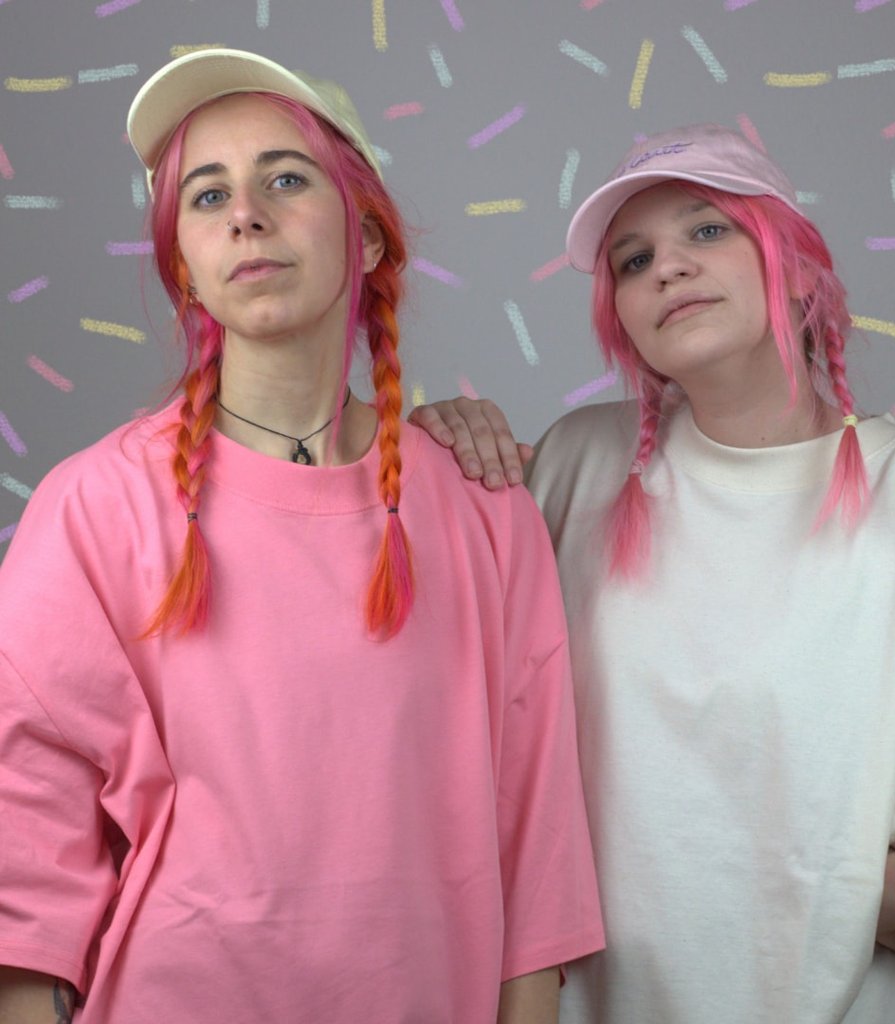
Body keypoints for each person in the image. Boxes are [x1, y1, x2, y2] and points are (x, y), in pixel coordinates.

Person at [0, 49, 603, 1023]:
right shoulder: (92, 507)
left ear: (367, 236)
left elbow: (537, 854)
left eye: (285, 178)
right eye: (207, 196)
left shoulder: (485, 506)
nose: (245, 214)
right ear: (185, 270)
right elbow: (22, 847)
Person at [410, 123, 895, 1022]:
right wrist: (429, 450)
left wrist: (866, 897)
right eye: (633, 260)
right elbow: (419, 701)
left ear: (799, 269)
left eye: (707, 230)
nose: (667, 267)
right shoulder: (574, 466)